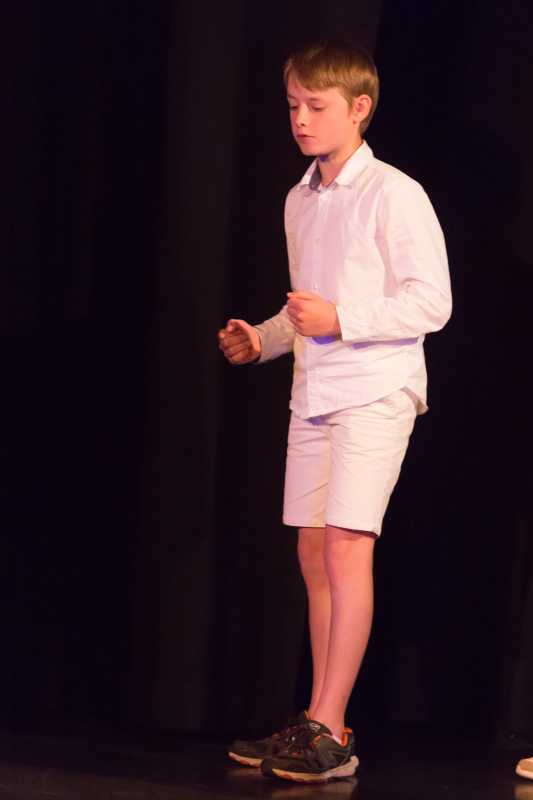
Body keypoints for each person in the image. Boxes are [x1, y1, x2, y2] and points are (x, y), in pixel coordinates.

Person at [218, 40, 452, 783]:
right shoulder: (301, 198)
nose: (299, 119)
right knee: (313, 551)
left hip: (375, 390)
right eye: (292, 105)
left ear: (359, 108)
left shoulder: (393, 193)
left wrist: (340, 319)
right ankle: (321, 722)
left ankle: (329, 727)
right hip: (316, 391)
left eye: (315, 106)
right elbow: (308, 309)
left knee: (348, 546)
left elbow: (431, 302)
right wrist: (264, 338)